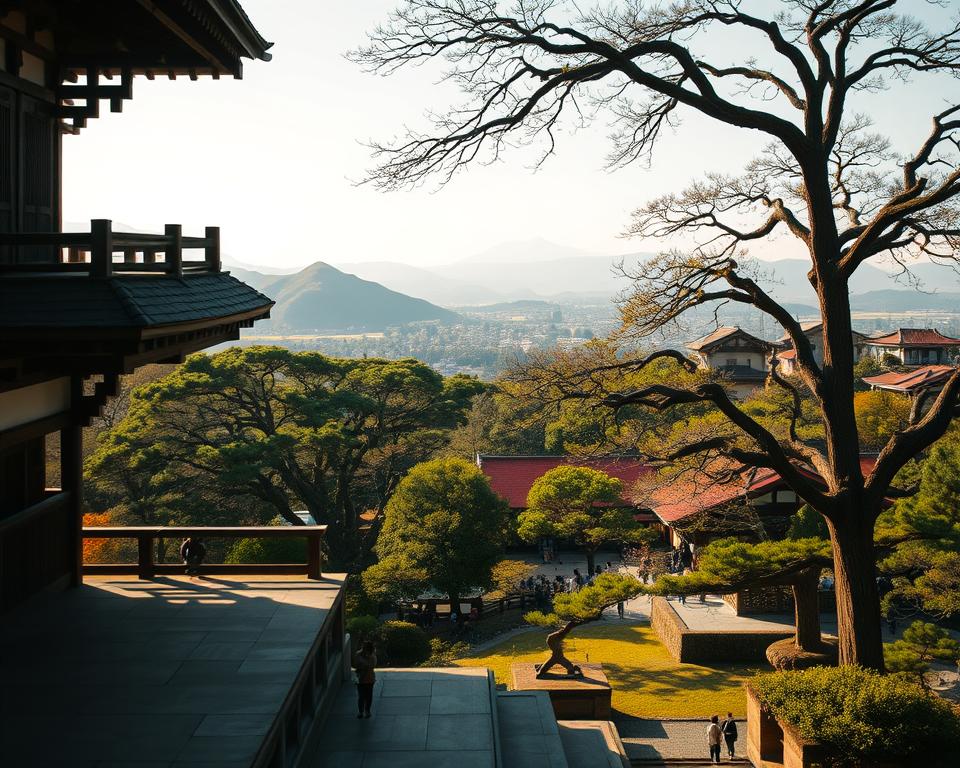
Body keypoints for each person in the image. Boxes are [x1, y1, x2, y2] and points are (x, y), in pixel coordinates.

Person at [353, 640, 377, 719]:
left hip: (369, 678)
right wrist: (365, 664)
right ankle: (361, 711)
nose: (363, 648)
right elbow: (356, 664)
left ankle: (367, 710)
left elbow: (372, 665)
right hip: (361, 678)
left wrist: (363, 663)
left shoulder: (372, 656)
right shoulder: (358, 654)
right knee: (361, 696)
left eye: (365, 647)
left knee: (369, 696)